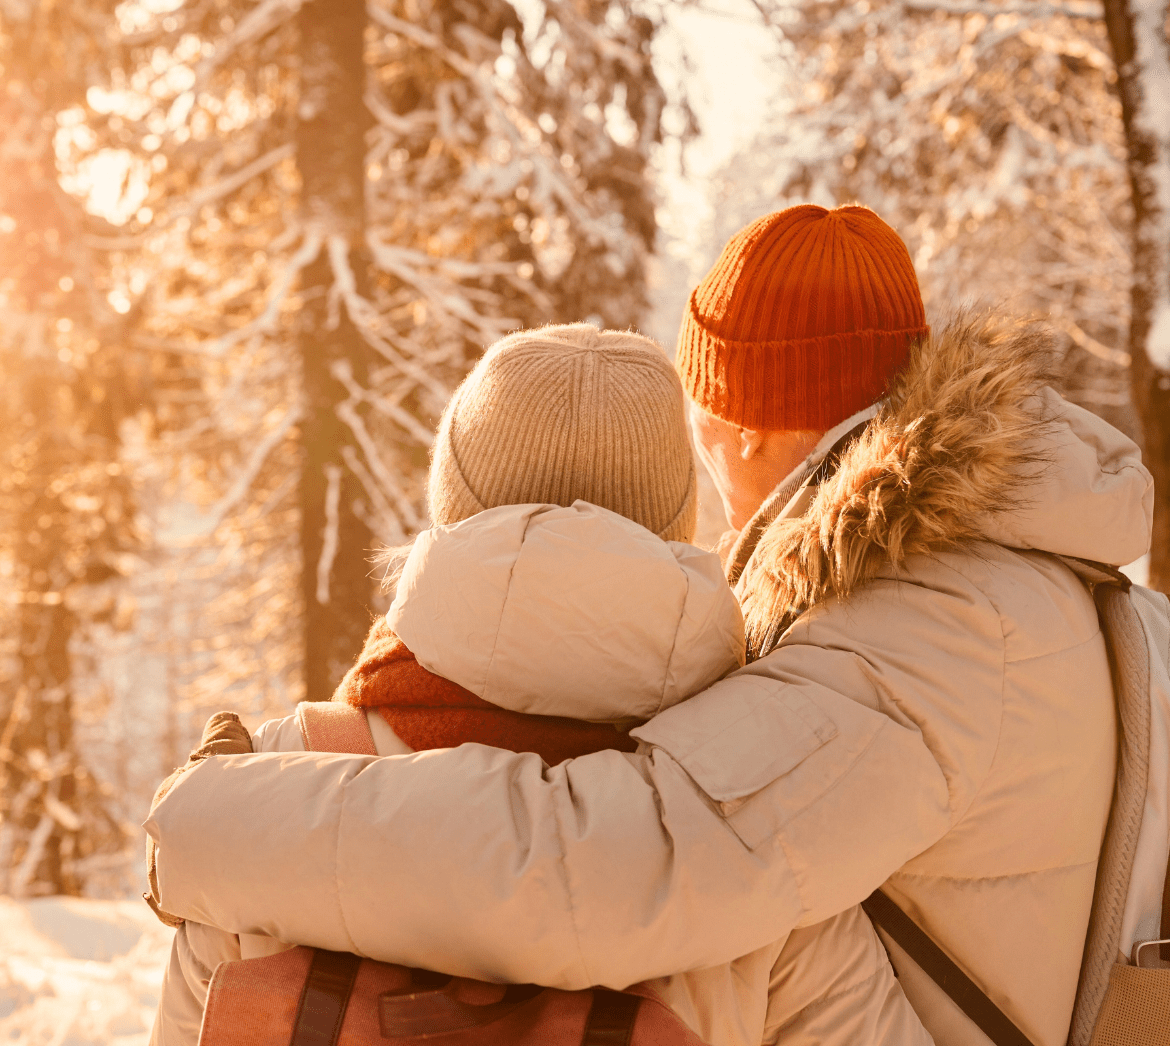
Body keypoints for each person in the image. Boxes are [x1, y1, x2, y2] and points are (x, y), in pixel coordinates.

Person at [147, 205, 1153, 1046]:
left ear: (744, 426)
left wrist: (211, 825)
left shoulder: (925, 628)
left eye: (706, 437)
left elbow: (611, 868)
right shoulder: (1069, 591)